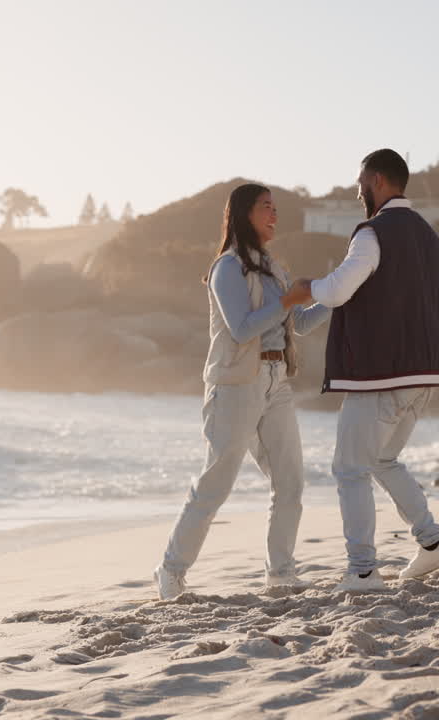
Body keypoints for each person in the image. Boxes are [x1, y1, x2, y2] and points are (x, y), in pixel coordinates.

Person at [153, 183, 326, 600]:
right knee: (216, 482)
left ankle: (280, 573)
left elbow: (299, 324)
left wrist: (335, 296)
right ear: (244, 212)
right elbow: (242, 328)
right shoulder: (227, 268)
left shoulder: (273, 267)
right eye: (266, 207)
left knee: (290, 482)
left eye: (275, 207)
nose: (275, 214)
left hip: (276, 381)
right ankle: (171, 571)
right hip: (234, 384)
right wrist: (289, 300)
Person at [297, 149, 439, 592]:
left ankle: (363, 571)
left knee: (350, 469)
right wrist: (310, 313)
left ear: (379, 181)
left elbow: (338, 289)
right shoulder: (430, 237)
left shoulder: (372, 233)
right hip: (423, 374)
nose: (358, 192)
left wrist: (305, 288)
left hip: (382, 376)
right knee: (383, 460)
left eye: (361, 183)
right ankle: (432, 543)